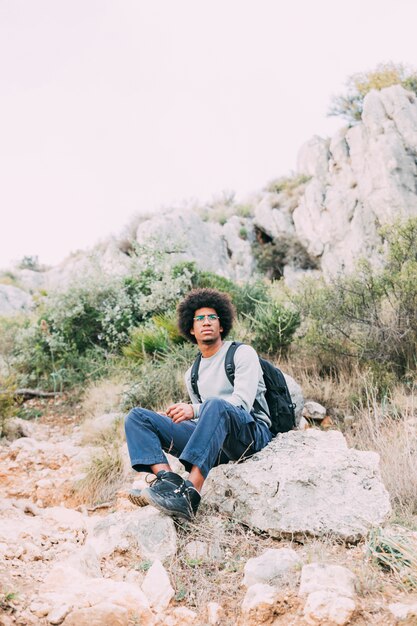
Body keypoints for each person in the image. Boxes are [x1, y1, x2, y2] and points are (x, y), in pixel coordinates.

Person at [124, 288, 272, 521]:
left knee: (215, 405)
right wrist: (175, 419)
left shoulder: (242, 354)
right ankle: (168, 482)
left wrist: (194, 410)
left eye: (212, 317)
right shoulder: (192, 373)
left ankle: (189, 494)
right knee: (138, 417)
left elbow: (241, 404)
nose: (206, 322)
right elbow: (205, 422)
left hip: (252, 433)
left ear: (221, 325)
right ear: (191, 329)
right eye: (199, 319)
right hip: (218, 443)